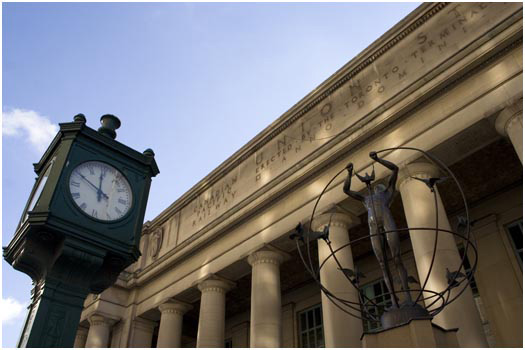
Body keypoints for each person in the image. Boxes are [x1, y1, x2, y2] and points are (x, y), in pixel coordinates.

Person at [343, 151, 412, 306]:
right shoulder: (365, 199)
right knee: (382, 263)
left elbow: (394, 169)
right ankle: (394, 301)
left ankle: (407, 296)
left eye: (378, 187)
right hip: (373, 227)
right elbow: (346, 190)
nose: (376, 189)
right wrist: (349, 174)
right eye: (375, 188)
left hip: (387, 221)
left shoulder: (387, 194)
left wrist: (377, 159)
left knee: (396, 257)